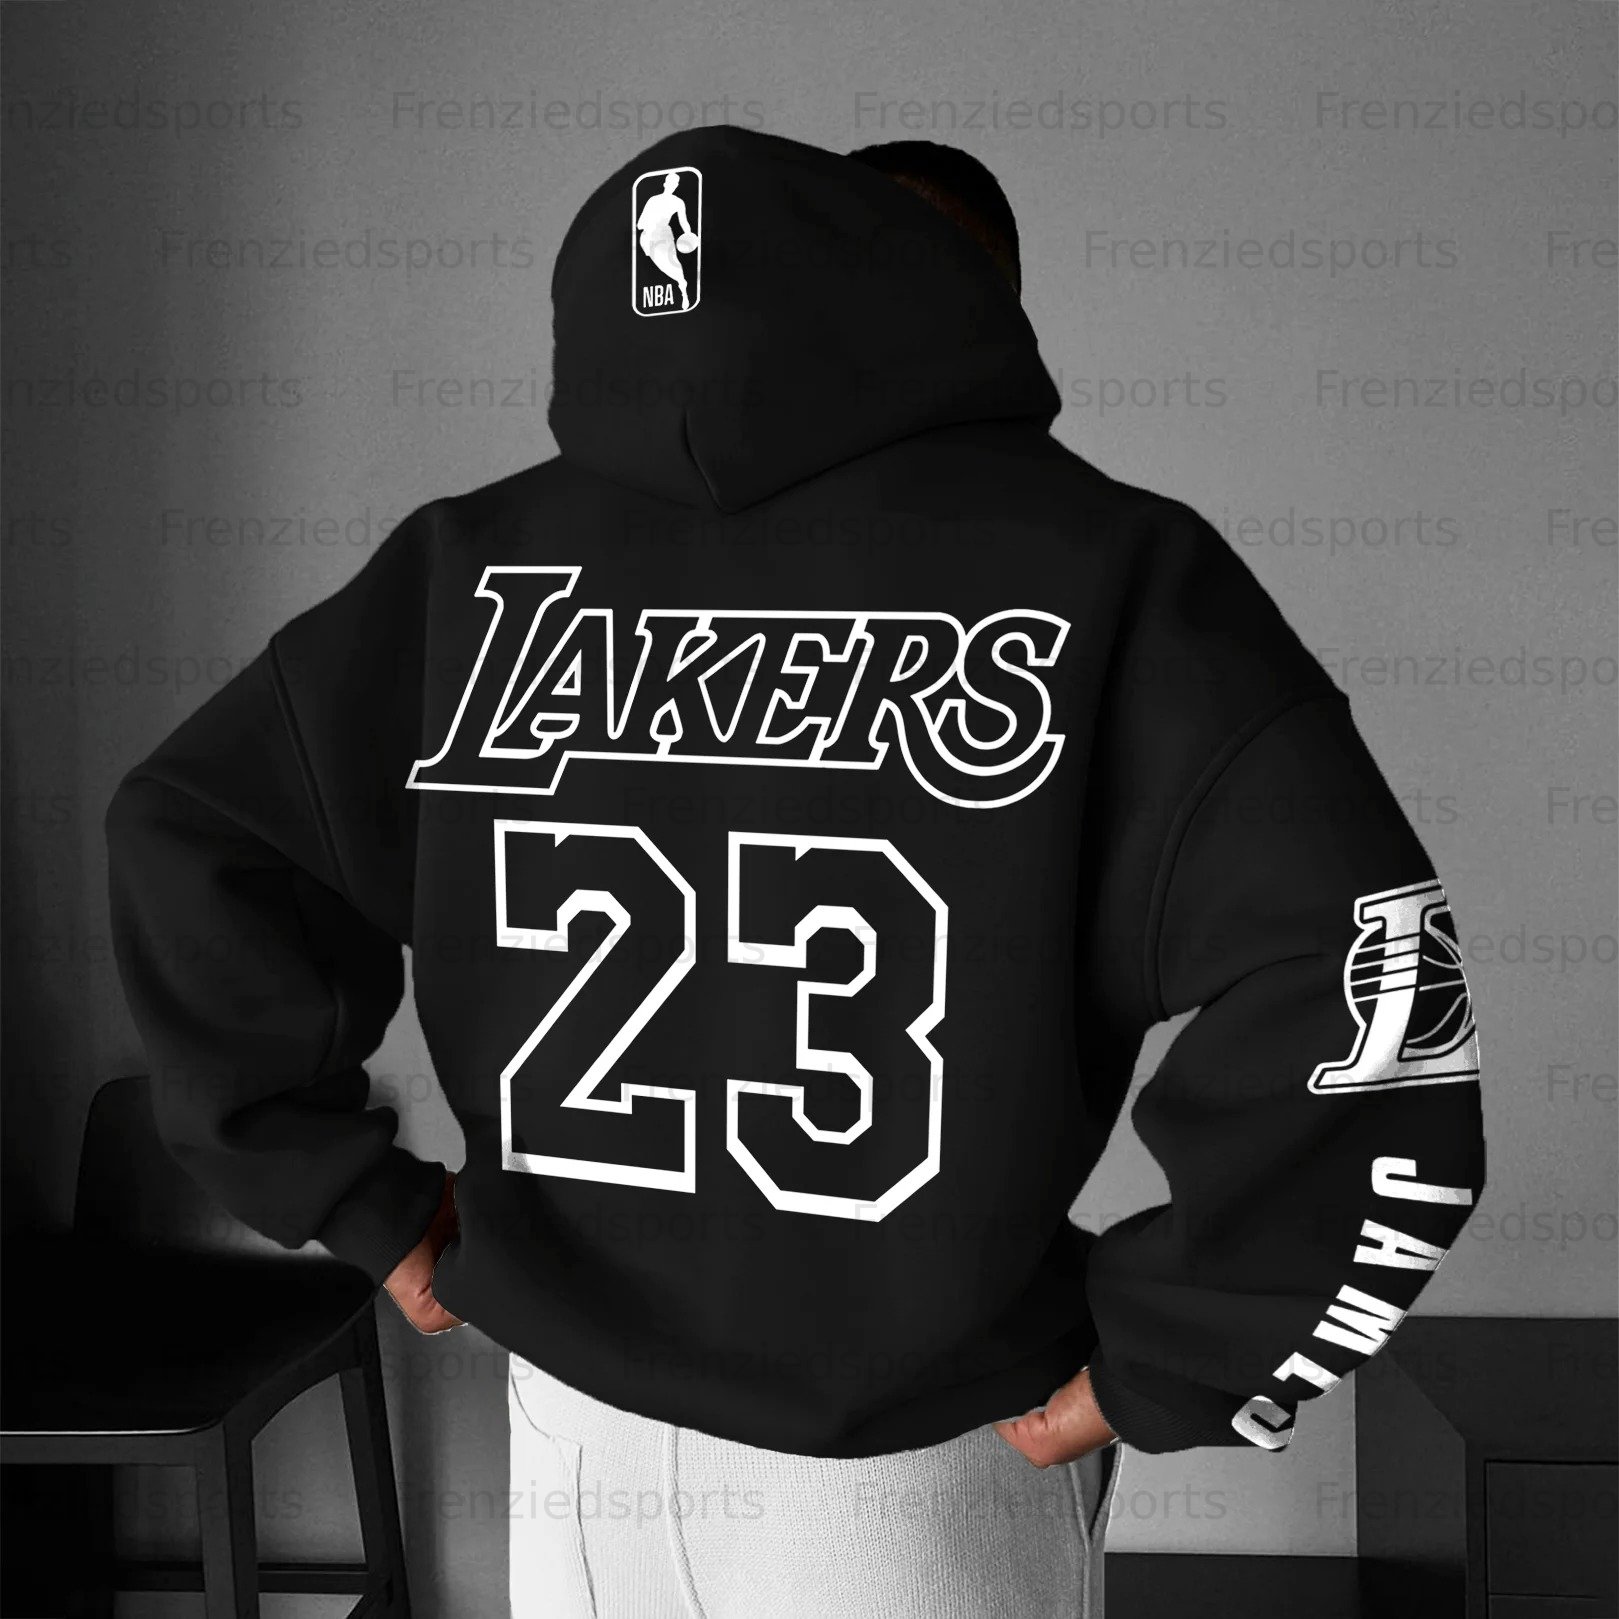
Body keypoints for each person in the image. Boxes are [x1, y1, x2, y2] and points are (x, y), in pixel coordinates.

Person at [107, 127, 1487, 1617]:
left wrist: (351, 1193)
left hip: (570, 1434)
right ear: (977, 307)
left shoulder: (466, 567)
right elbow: (1364, 983)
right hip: (914, 1475)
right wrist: (1197, 1350)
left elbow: (193, 828)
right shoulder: (1114, 571)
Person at [636, 169, 696, 309]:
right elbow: (640, 223)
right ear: (665, 183)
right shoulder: (653, 200)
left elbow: (683, 221)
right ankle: (680, 282)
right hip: (650, 236)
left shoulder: (678, 202)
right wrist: (649, 225)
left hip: (664, 235)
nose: (672, 185)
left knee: (673, 263)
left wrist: (689, 234)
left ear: (677, 186)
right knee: (662, 264)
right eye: (670, 182)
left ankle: (683, 289)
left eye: (675, 183)